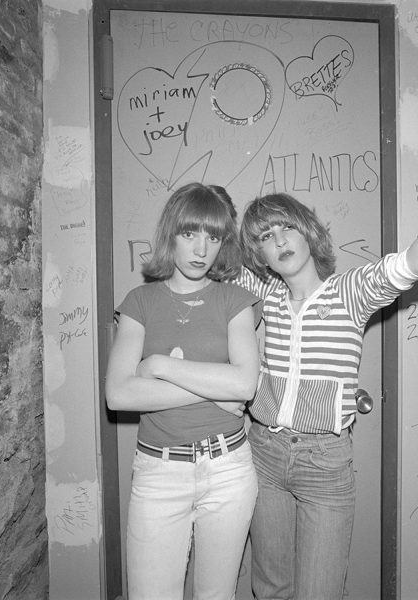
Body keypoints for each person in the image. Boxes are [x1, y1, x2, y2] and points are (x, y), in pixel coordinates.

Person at [238, 135, 418, 600]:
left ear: (307, 231)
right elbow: (205, 258)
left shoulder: (350, 292)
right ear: (260, 256)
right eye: (266, 237)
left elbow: (416, 260)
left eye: (286, 227)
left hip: (324, 464)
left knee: (318, 593)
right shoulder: (263, 294)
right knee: (270, 588)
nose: (279, 240)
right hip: (263, 453)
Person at [105, 182, 261, 600]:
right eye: (189, 233)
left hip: (228, 469)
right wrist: (216, 388)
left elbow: (245, 385)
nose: (201, 249)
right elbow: (118, 394)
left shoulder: (237, 300)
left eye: (213, 237)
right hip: (158, 473)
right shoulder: (139, 301)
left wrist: (160, 367)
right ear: (170, 233)